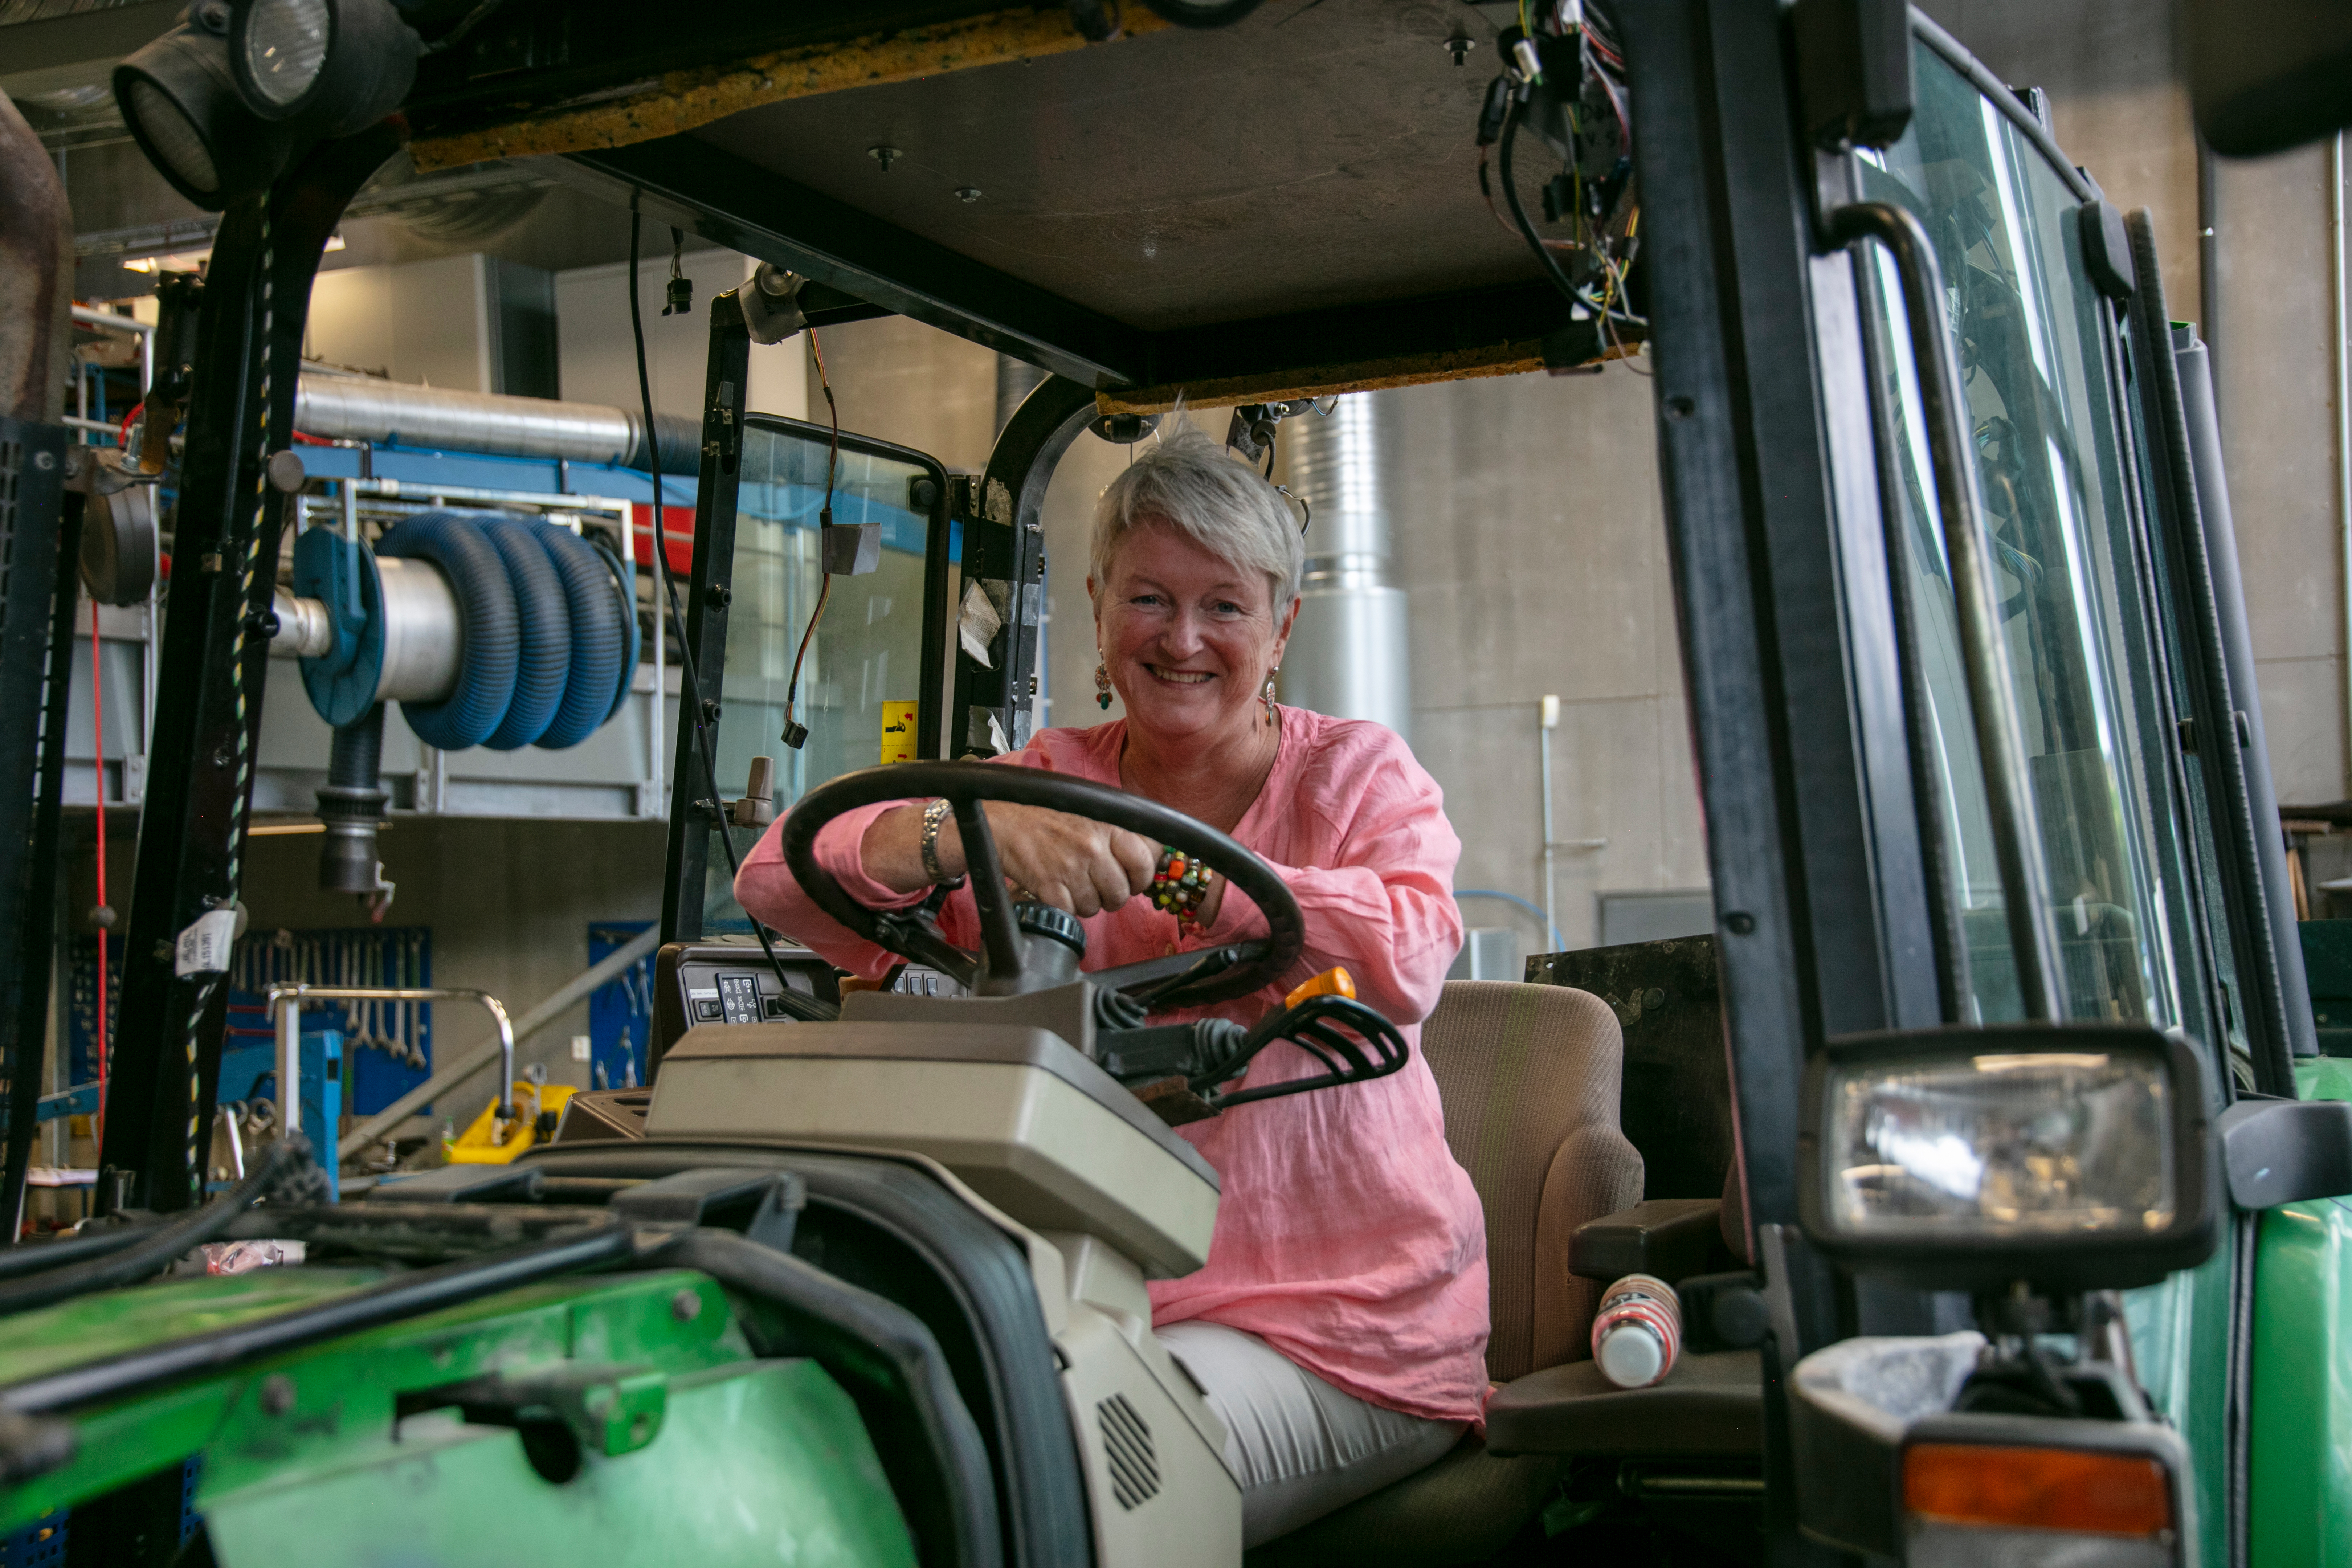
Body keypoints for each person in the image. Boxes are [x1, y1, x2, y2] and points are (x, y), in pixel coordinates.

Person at [735, 421, 1486, 1546]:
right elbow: (776, 880)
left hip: (1341, 1327)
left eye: (1224, 606)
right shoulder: (1042, 787)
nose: (1183, 638)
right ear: (1097, 609)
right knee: (837, 1426)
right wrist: (954, 837)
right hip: (1087, 1298)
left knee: (1072, 1478)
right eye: (1149, 600)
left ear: (1280, 627)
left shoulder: (1356, 777)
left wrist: (1185, 876)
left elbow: (1410, 953)